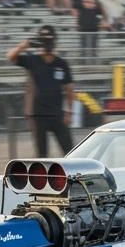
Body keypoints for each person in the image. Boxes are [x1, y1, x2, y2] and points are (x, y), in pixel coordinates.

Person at [7, 25, 75, 155]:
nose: (47, 43)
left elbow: (69, 88)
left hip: (57, 114)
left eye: (50, 39)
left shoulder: (61, 63)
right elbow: (10, 56)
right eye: (44, 39)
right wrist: (24, 45)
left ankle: (72, 175)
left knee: (70, 151)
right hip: (38, 114)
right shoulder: (33, 60)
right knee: (42, 153)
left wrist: (69, 112)